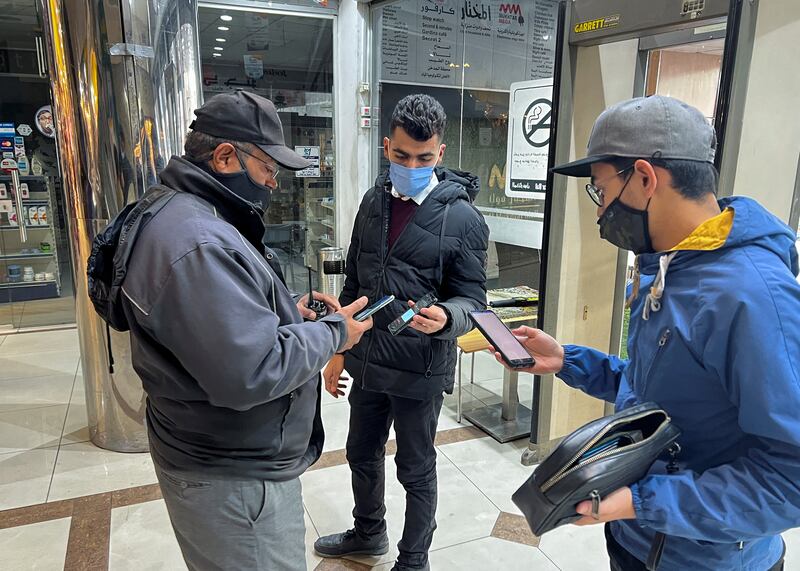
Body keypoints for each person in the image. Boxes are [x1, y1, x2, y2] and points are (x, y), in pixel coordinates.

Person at [495, 95, 800, 570]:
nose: (599, 213)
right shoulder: (669, 268)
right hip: (639, 544)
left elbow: (790, 479)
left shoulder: (751, 296)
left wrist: (646, 501)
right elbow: (659, 397)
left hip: (706, 560)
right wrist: (568, 361)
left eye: (600, 191)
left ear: (644, 177)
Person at [113, 90, 373, 570]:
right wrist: (336, 333)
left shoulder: (185, 214)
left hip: (212, 451)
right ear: (226, 156)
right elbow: (252, 371)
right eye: (267, 167)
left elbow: (214, 327)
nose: (273, 183)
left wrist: (284, 313)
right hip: (233, 475)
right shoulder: (197, 241)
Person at [313, 94, 490, 571]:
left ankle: (414, 562)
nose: (412, 165)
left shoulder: (464, 220)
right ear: (387, 147)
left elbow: (473, 301)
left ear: (441, 153)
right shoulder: (372, 202)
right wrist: (337, 350)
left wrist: (449, 318)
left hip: (419, 367)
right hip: (367, 359)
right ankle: (368, 533)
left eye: (424, 158)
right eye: (402, 155)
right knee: (360, 454)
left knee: (415, 469)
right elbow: (354, 283)